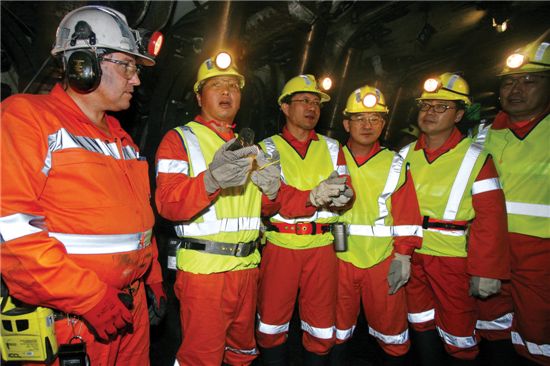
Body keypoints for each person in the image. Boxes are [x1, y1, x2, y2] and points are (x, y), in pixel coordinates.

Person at [0, 5, 165, 365]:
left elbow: (139, 223)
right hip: (75, 319)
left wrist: (152, 280)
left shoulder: (123, 140)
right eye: (127, 66)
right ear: (83, 65)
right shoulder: (27, 118)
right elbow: (11, 236)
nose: (135, 80)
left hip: (130, 309)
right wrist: (89, 298)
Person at [154, 53, 282, 366]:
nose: (226, 92)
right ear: (199, 96)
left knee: (242, 354)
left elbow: (264, 207)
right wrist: (210, 181)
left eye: (233, 86)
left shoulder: (251, 146)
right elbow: (168, 204)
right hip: (205, 272)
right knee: (201, 358)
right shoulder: (180, 140)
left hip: (247, 270)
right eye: (216, 85)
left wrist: (273, 192)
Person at [401, 73, 509, 365]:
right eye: (426, 106)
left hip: (452, 259)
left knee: (459, 331)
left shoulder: (476, 158)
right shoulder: (404, 154)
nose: (430, 113)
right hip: (411, 256)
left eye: (441, 107)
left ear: (459, 114)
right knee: (419, 320)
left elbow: (491, 220)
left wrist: (486, 270)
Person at [255, 74, 354, 365]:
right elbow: (269, 199)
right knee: (271, 325)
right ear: (285, 108)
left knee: (322, 328)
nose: (312, 107)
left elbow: (347, 190)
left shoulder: (333, 147)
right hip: (280, 244)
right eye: (303, 101)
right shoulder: (266, 148)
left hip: (322, 246)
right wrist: (313, 196)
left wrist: (344, 196)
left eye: (316, 102)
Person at [330, 85, 422, 366]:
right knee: (336, 331)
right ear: (346, 123)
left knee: (392, 334)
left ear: (383, 125)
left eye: (374, 119)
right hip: (337, 259)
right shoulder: (330, 157)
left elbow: (407, 215)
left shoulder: (395, 163)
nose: (367, 125)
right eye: (359, 119)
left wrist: (403, 255)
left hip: (382, 261)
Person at [476, 37, 550, 366]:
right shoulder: (482, 135)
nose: (516, 89)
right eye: (509, 82)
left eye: (530, 81)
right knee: (491, 326)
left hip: (541, 252)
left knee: (538, 334)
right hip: (488, 249)